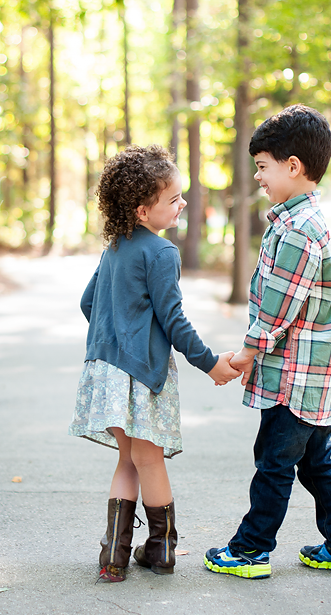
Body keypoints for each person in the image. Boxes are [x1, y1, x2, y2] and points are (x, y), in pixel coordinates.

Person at [204, 105, 331, 579]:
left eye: (263, 166)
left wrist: (245, 355)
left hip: (295, 376)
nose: (257, 176)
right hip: (307, 374)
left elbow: (278, 307)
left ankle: (251, 549)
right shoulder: (297, 220)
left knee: (274, 462)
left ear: (292, 166)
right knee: (316, 461)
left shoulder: (298, 229)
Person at [70, 144, 240, 583]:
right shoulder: (162, 253)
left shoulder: (115, 247)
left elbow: (89, 302)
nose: (183, 203)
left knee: (127, 459)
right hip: (142, 375)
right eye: (174, 199)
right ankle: (162, 548)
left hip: (106, 371)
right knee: (150, 460)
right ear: (144, 210)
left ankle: (114, 556)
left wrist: (119, 331)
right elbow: (174, 320)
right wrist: (210, 363)